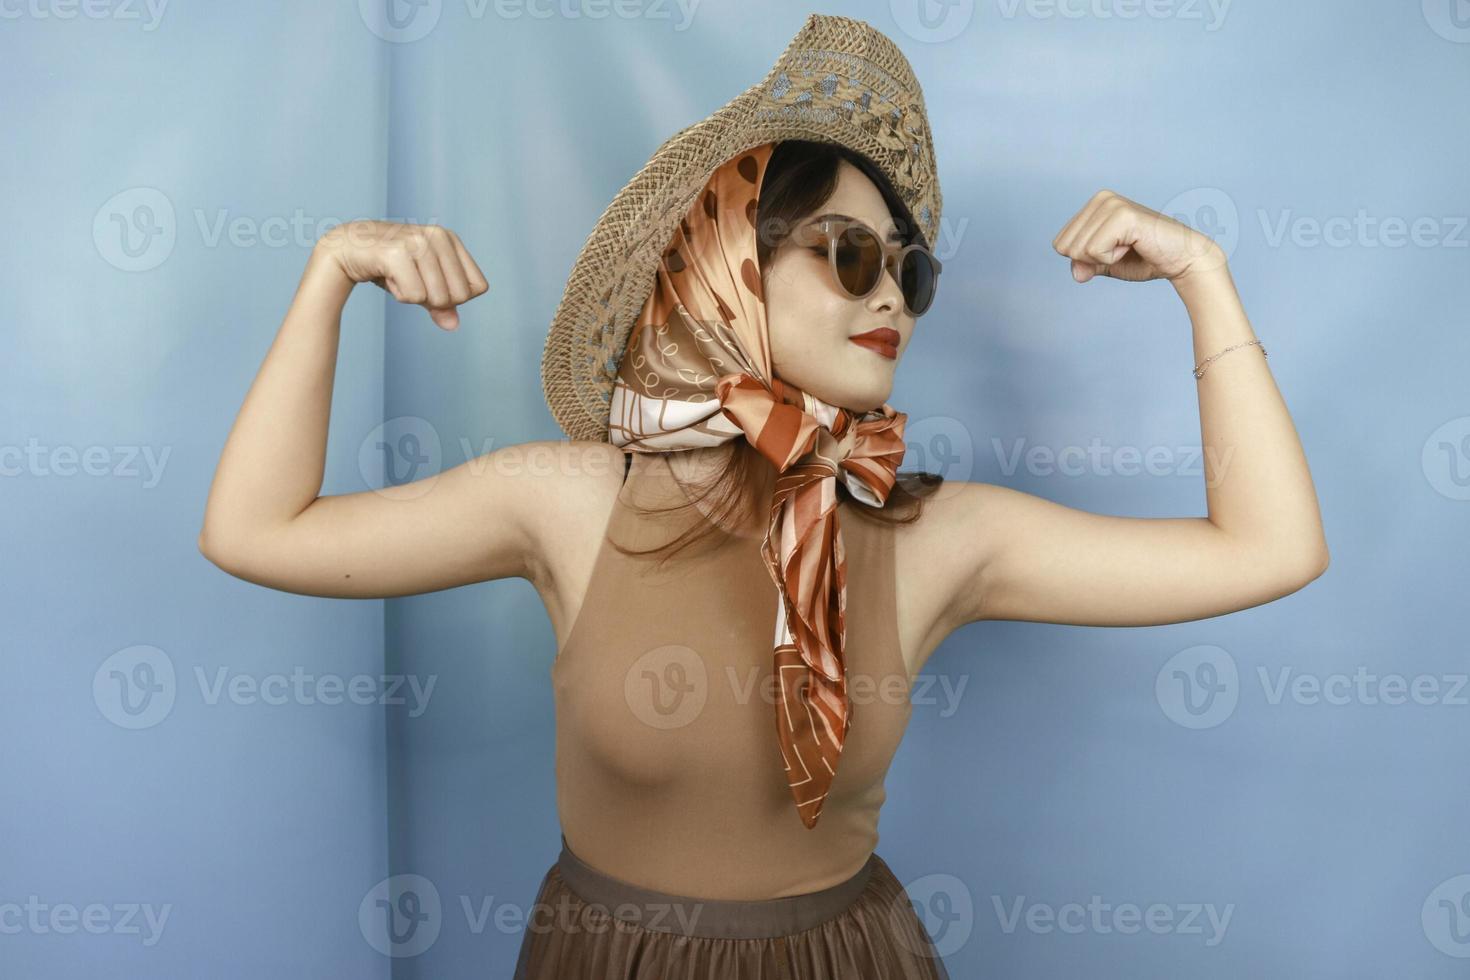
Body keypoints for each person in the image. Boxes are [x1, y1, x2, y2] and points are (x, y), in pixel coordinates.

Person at [197, 14, 1328, 979]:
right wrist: (331, 274)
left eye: (909, 267)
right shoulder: (569, 500)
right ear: (731, 258)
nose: (892, 292)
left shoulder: (934, 530)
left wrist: (1203, 277)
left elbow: (1269, 548)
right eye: (849, 255)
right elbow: (256, 530)